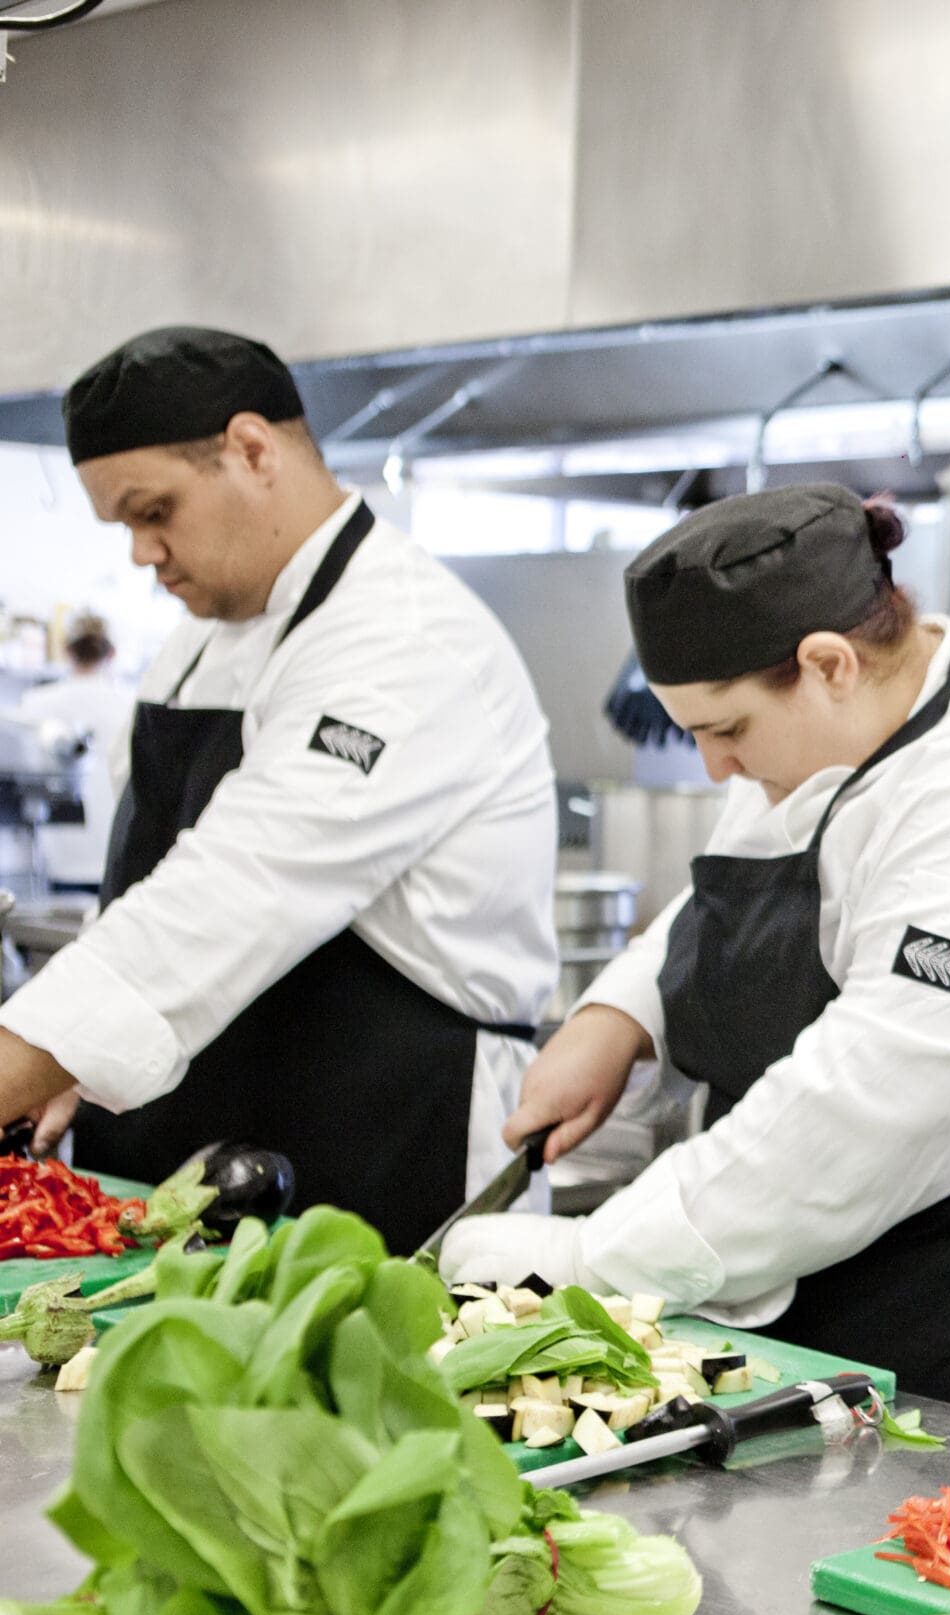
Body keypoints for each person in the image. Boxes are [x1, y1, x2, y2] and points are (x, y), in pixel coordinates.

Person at [439, 485, 950, 1451]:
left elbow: (863, 1111)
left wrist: (593, 1256)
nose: (715, 769)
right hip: (930, 1236)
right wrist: (620, 1016)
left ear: (828, 663)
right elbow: (743, 881)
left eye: (726, 732)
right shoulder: (854, 711)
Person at [0, 326, 558, 1249]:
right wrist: (71, 1056)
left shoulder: (403, 638)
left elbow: (237, 888)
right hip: (201, 1157)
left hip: (380, 1151)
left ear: (251, 449)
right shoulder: (199, 643)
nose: (143, 553)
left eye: (154, 511)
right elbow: (153, 888)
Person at [18, 613, 135, 894]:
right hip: (116, 851)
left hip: (55, 857)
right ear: (113, 652)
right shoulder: (132, 705)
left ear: (66, 650)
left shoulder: (34, 704)